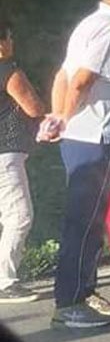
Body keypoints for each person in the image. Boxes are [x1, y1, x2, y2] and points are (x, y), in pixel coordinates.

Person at [45, 0, 110, 329]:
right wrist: (64, 117)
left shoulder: (89, 24)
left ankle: (84, 292)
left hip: (85, 137)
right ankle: (69, 303)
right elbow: (81, 80)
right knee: (84, 223)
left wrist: (59, 117)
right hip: (98, 137)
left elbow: (63, 75)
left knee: (88, 221)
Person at [0, 19, 47, 303]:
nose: (12, 43)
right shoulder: (6, 69)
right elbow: (34, 106)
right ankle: (4, 281)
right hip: (5, 153)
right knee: (19, 216)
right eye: (9, 38)